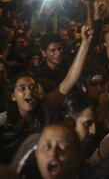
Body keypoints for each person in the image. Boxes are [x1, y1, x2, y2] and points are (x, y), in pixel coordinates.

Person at [0, 26, 92, 162]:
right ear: (13, 96)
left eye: (32, 87)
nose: (29, 91)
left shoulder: (44, 110)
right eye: (22, 88)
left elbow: (70, 79)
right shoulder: (4, 120)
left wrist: (85, 43)